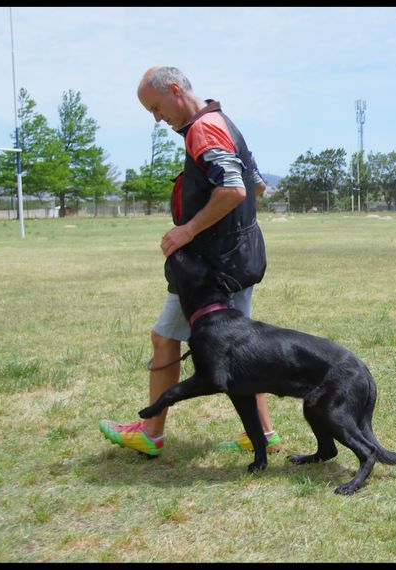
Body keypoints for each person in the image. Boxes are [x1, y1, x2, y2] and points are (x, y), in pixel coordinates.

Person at [100, 66, 281, 457]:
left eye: (156, 106)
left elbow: (232, 189)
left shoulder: (204, 129)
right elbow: (256, 183)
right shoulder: (222, 121)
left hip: (214, 268)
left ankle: (150, 433)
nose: (156, 117)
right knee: (241, 346)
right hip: (237, 259)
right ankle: (261, 433)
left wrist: (188, 229)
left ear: (176, 90)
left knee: (166, 338)